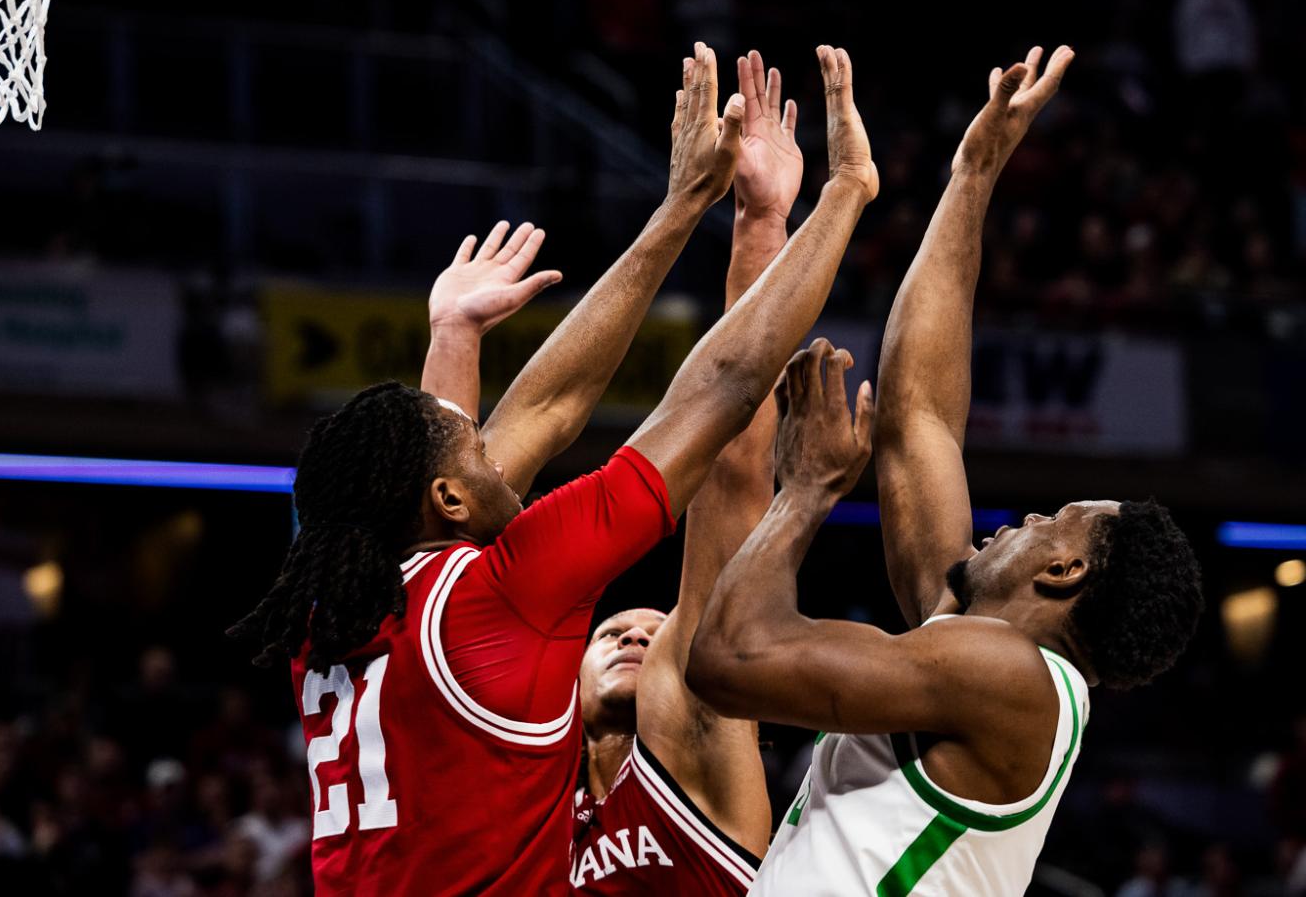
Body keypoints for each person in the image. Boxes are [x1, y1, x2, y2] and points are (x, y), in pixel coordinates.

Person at [229, 43, 879, 897]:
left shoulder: (336, 611)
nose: (508, 463)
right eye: (477, 455)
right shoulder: (502, 593)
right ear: (447, 497)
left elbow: (529, 421)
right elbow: (718, 389)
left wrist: (456, 336)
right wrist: (846, 195)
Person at [690, 48, 1203, 896]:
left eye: (1052, 522)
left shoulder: (1006, 678)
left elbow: (730, 659)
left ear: (1064, 570)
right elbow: (918, 418)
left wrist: (805, 493)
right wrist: (974, 170)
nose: (1024, 520)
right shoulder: (980, 649)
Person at [566, 51, 803, 893]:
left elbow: (734, 472)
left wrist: (759, 221)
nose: (635, 635)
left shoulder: (691, 732)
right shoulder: (522, 808)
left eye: (649, 631)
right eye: (611, 632)